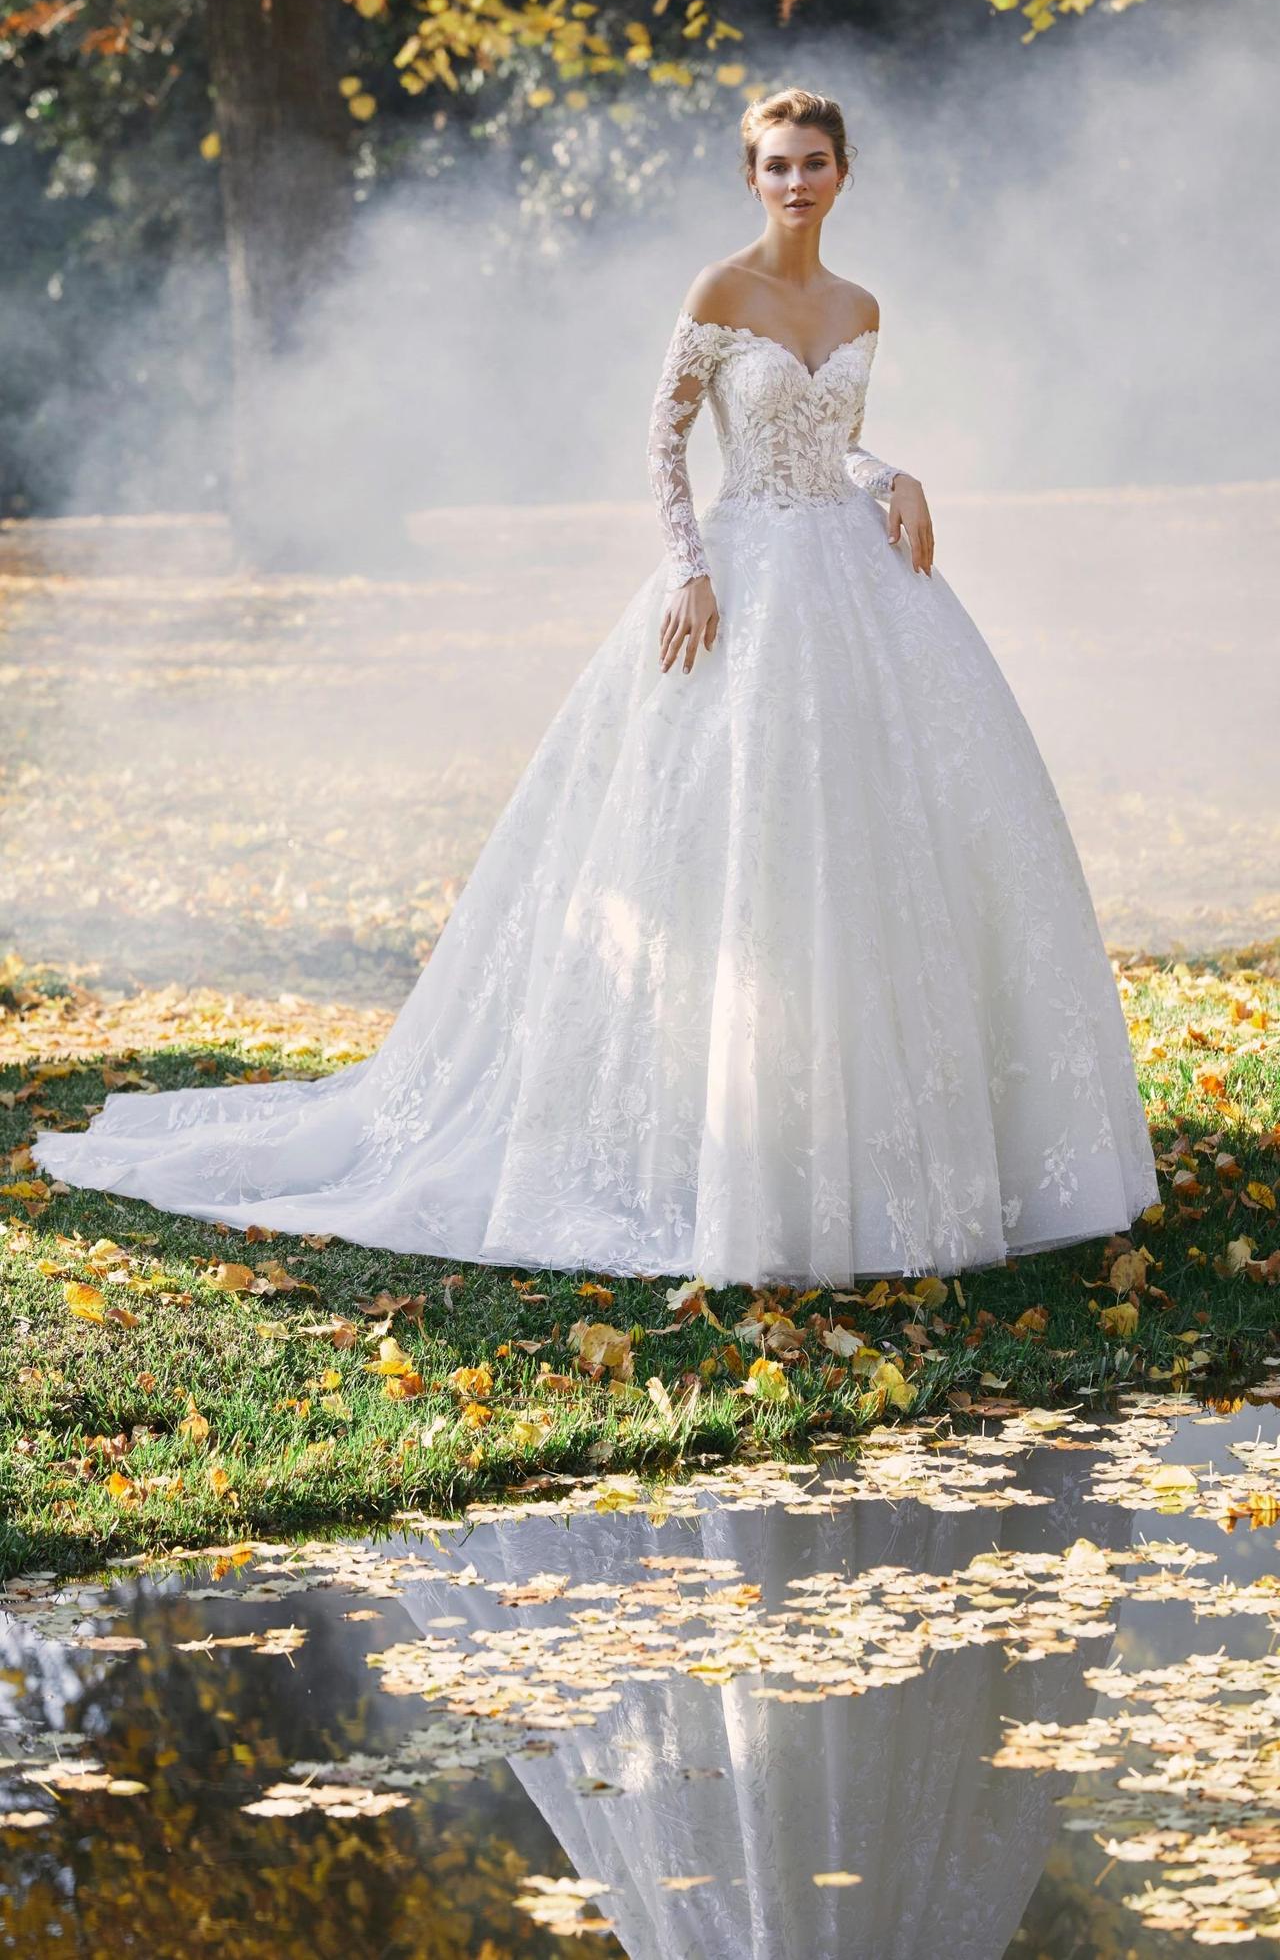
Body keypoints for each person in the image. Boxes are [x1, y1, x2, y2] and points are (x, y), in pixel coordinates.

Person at [32, 85, 1159, 1286]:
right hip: (745, 574)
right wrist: (689, 569)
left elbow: (831, 443)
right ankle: (730, 1135)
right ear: (750, 175)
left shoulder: (858, 304)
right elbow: (665, 440)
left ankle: (870, 1141)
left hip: (852, 573)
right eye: (775, 164)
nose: (794, 182)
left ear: (841, 174)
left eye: (813, 163)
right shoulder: (717, 292)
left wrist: (896, 474)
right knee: (733, 845)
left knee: (883, 845)